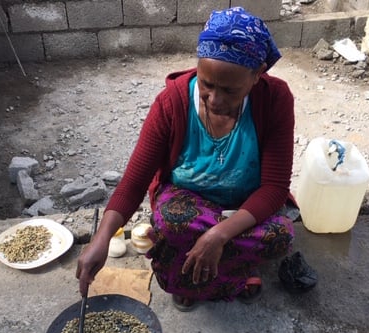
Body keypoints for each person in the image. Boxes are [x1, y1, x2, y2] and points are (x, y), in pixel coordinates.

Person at [76, 7, 296, 311]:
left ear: (257, 75)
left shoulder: (275, 99)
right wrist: (100, 240)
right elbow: (135, 181)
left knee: (279, 236)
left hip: (241, 206)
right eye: (207, 84)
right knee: (173, 223)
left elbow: (274, 188)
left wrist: (218, 235)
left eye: (230, 90)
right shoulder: (171, 103)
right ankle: (201, 275)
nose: (215, 99)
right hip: (189, 205)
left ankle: (224, 267)